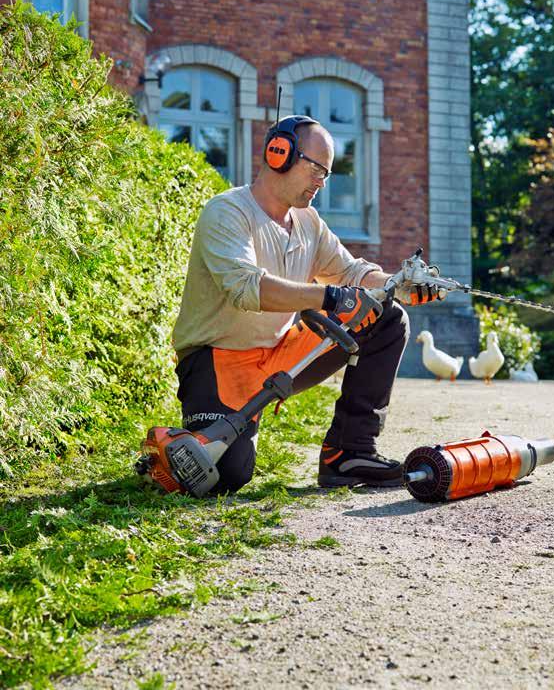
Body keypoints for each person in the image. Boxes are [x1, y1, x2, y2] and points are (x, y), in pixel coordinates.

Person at [172, 114, 444, 494]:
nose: (321, 181)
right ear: (278, 152)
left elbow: (351, 272)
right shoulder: (228, 212)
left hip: (279, 354)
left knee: (385, 316)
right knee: (228, 474)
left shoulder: (308, 223)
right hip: (217, 360)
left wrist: (400, 286)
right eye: (316, 167)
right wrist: (329, 296)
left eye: (327, 173)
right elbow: (247, 288)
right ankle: (187, 438)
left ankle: (349, 453)